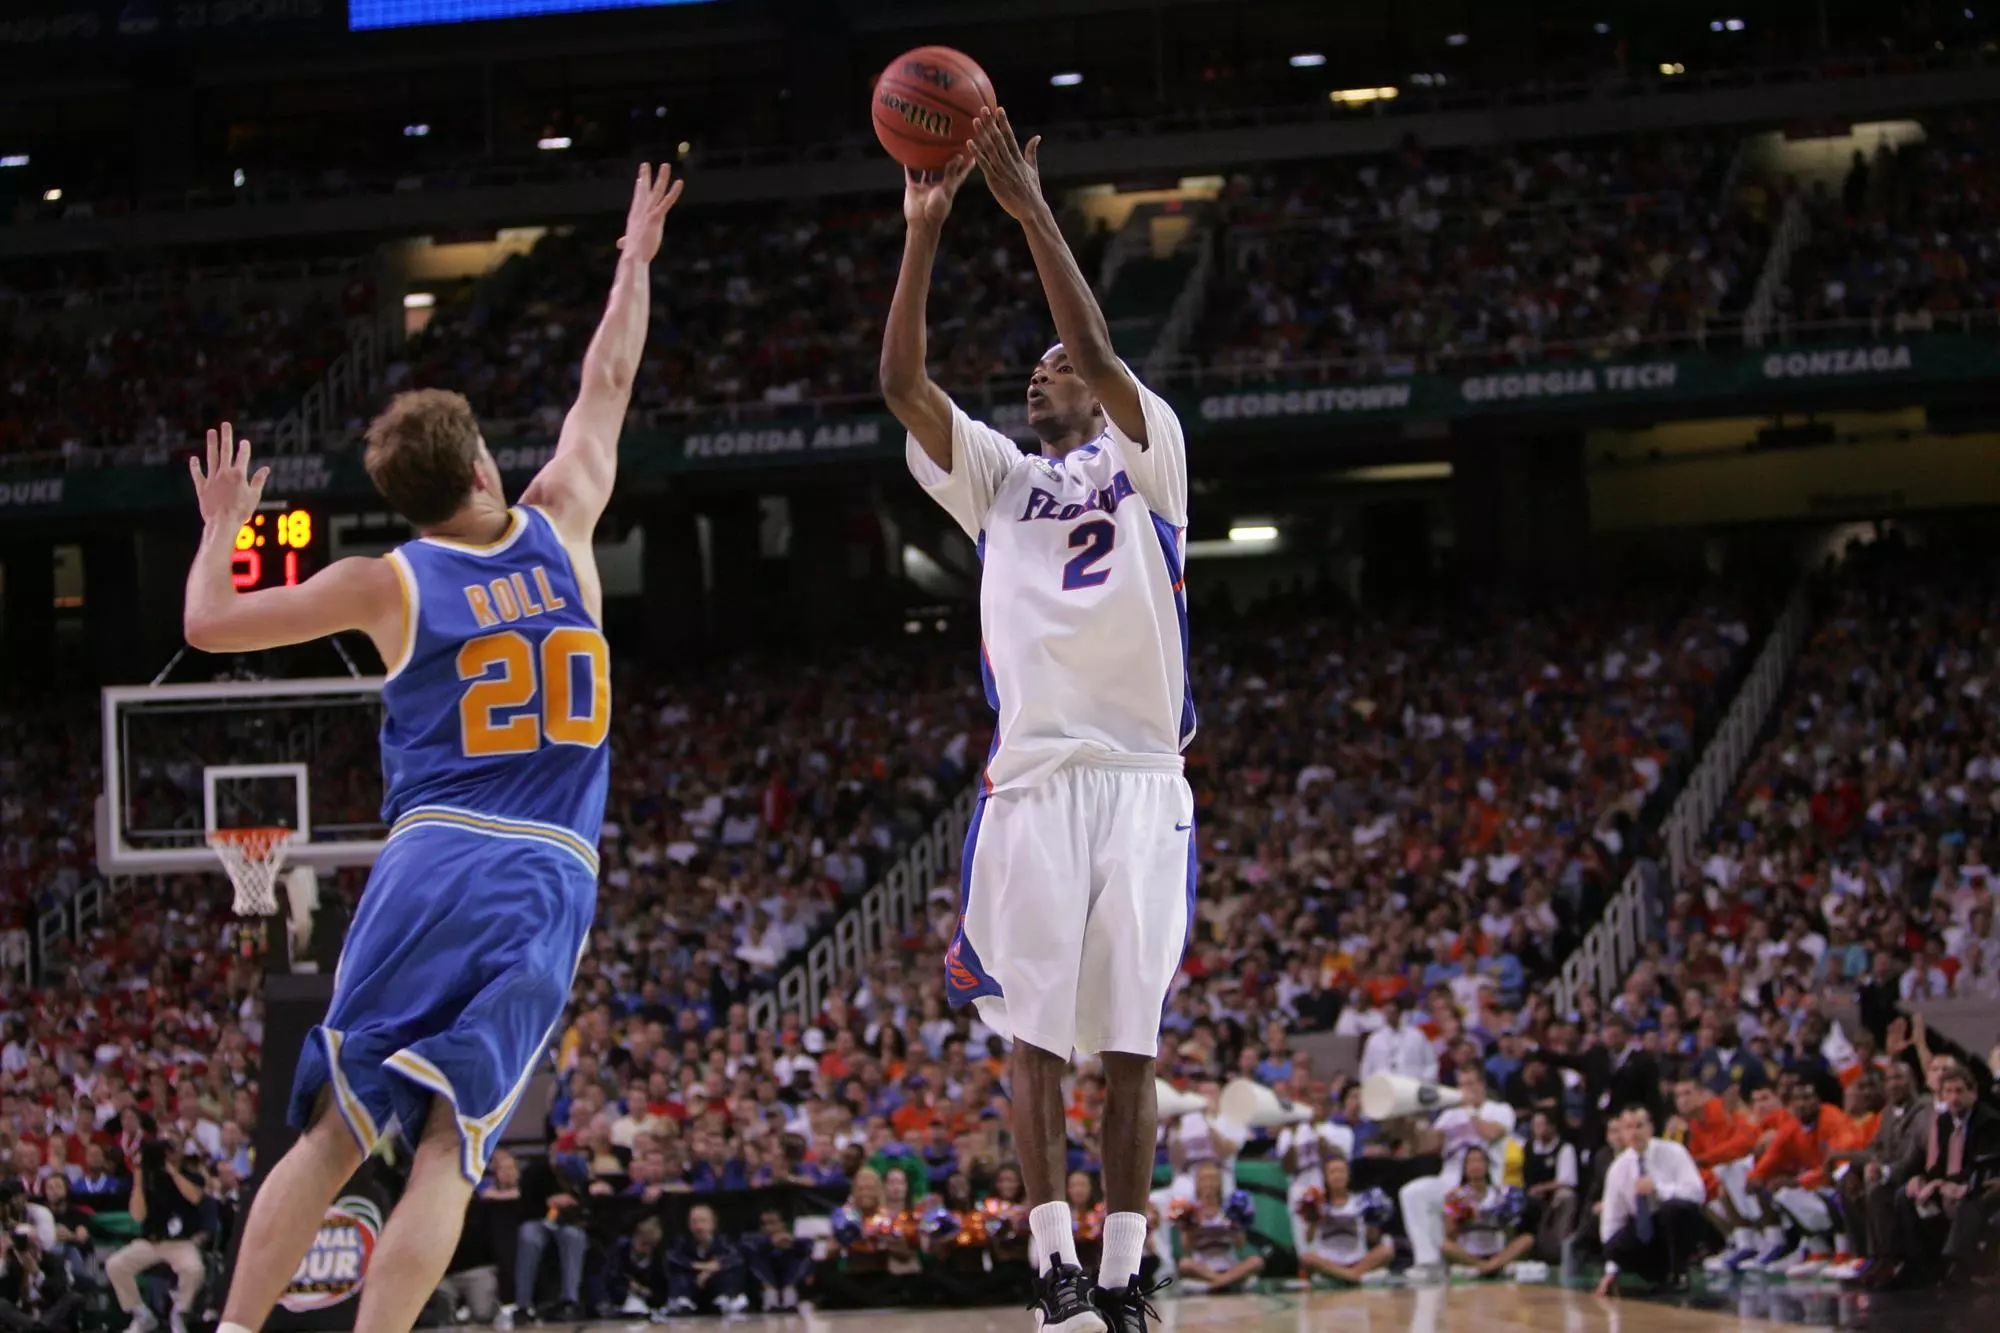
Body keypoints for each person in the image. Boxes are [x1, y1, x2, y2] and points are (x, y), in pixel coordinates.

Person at [187, 162, 682, 1333]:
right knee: (452, 1150)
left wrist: (221, 529)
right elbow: (607, 376)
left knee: (336, 1130)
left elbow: (207, 624)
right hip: (546, 867)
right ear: (478, 468)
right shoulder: (562, 520)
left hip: (429, 859)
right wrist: (633, 258)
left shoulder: (386, 581)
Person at [882, 106, 1192, 1333]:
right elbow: (901, 383)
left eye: (1050, 366)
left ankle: (1123, 1274)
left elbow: (1099, 346)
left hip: (1142, 778)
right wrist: (925, 232)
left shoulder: (1150, 452)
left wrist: (1029, 215)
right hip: (1035, 782)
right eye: (1034, 370)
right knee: (1035, 1040)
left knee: (1131, 1049)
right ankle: (1053, 1263)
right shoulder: (996, 480)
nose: (1040, 370)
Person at [1871, 1060, 2000, 1288]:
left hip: (1981, 1186)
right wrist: (1923, 1179)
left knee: (1968, 1199)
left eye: (1960, 1091)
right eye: (1948, 1092)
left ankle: (1957, 1266)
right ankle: (1914, 1264)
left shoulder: (1988, 1121)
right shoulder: (1943, 1121)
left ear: (1973, 1092)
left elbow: (1980, 1166)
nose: (1954, 1098)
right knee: (1905, 1195)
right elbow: (1939, 1165)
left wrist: (1940, 1183)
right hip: (1949, 1185)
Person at [1597, 1106, 1708, 1294]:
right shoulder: (1618, 1168)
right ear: (1622, 1133)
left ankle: (1679, 1272)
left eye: (1639, 1126)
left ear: (1650, 1128)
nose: (1635, 1132)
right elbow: (1612, 1221)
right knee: (1613, 1246)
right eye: (1628, 1127)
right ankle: (1656, 1274)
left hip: (1681, 1225)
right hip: (1647, 1230)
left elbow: (1697, 1193)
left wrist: (1659, 1188)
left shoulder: (1674, 1151)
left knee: (1671, 1210)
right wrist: (1611, 1269)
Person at [105, 1146, 211, 1333]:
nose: (168, 1155)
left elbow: (195, 1197)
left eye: (172, 1149)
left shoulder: (191, 1176)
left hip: (180, 1242)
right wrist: (138, 1180)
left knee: (194, 1269)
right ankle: (141, 1314)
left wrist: (172, 1171)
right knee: (115, 1264)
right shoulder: (149, 1179)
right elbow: (137, 1216)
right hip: (150, 1242)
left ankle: (179, 1312)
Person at [1291, 1155, 1394, 1286]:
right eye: (1332, 1172)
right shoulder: (1318, 1201)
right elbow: (1308, 1238)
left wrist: (1373, 1220)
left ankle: (1349, 1274)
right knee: (1307, 1258)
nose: (1337, 1176)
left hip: (1357, 1259)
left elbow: (1372, 1238)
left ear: (1348, 1175)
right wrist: (1312, 1216)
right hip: (1329, 1262)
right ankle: (1354, 1275)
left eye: (1341, 1171)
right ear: (1326, 1177)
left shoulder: (1361, 1201)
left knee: (1386, 1250)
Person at [1439, 1145, 1538, 1280]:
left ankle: (1490, 1265)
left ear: (1487, 1165)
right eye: (1471, 1161)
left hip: (1497, 1252)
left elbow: (1510, 1232)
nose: (1475, 1165)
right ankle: (1484, 1266)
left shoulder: (1500, 1194)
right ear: (1465, 1167)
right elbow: (1448, 1233)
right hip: (1469, 1255)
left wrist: (1500, 1217)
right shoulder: (1456, 1195)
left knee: (1527, 1239)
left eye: (1479, 1161)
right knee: (1444, 1246)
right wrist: (1462, 1214)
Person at [1169, 1164, 1262, 1295]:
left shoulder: (1231, 1207)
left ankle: (1219, 1282)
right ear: (1197, 1183)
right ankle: (1224, 1282)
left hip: (1229, 1265)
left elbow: (1240, 1244)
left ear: (1220, 1183)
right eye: (1204, 1179)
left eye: (1213, 1179)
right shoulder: (1191, 1209)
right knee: (1184, 1264)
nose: (1209, 1184)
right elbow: (1187, 1246)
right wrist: (1194, 1225)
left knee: (1256, 1261)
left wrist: (1235, 1225)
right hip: (1204, 1268)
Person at [663, 1204, 747, 1317]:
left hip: (717, 1284)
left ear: (713, 1223)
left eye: (703, 1221)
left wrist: (713, 1269)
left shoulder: (724, 1241)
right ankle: (681, 1304)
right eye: (694, 1222)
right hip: (693, 1284)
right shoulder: (682, 1242)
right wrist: (700, 1266)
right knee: (679, 1278)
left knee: (730, 1274)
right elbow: (673, 1259)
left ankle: (728, 1300)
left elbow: (736, 1258)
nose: (699, 1226)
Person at [0, 1225, 76, 1333]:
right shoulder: (12, 1263)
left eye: (32, 1244)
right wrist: (3, 1256)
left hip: (48, 1316)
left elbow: (59, 1293)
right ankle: (36, 1328)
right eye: (25, 1246)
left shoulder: (53, 1261)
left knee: (72, 1297)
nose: (29, 1250)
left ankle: (38, 1328)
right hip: (22, 1318)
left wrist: (36, 1273)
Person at [741, 1209, 813, 1314]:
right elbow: (747, 1249)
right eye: (764, 1224)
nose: (768, 1228)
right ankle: (770, 1295)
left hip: (790, 1278)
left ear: (783, 1224)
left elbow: (809, 1249)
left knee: (801, 1257)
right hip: (765, 1282)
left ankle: (790, 1294)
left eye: (772, 1223)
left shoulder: (796, 1238)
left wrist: (792, 1243)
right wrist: (770, 1243)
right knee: (754, 1259)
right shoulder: (751, 1239)